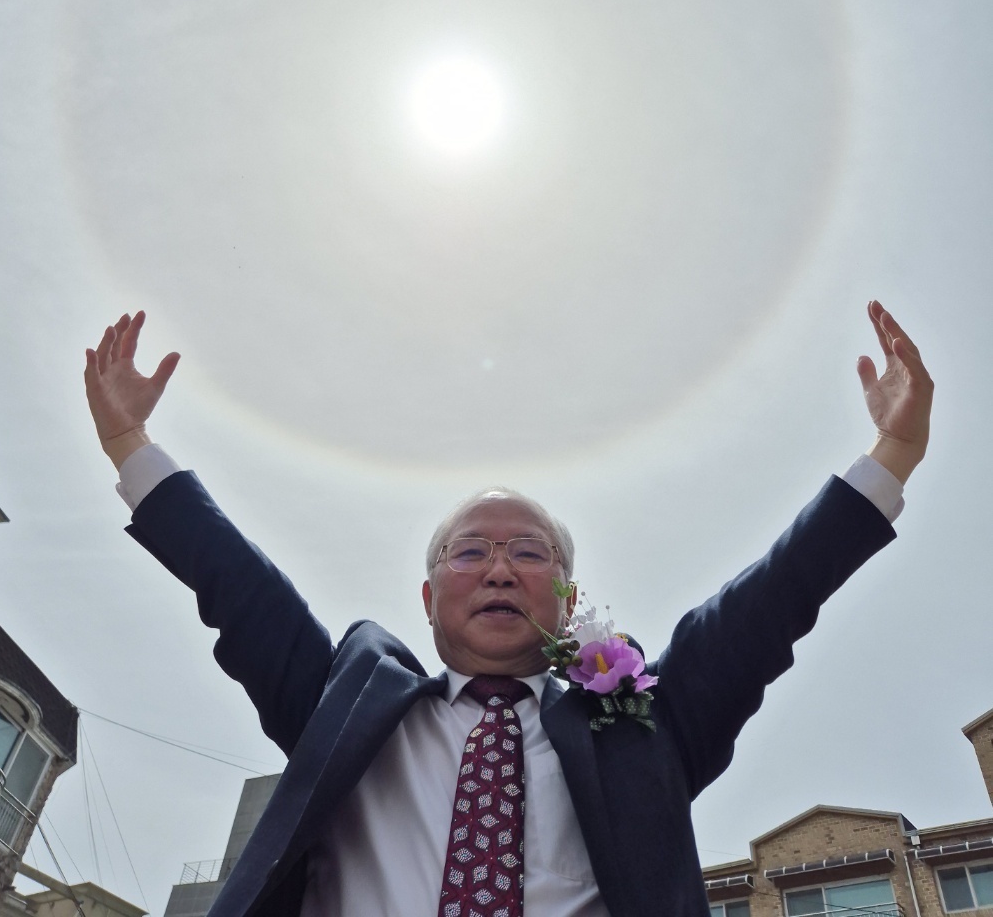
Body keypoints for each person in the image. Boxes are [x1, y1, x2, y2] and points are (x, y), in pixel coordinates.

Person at [84, 301, 933, 917]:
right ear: (428, 598)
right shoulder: (345, 705)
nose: (498, 568)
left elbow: (768, 603)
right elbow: (240, 589)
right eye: (470, 552)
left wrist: (889, 455)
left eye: (529, 553)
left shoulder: (644, 724)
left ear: (568, 600)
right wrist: (132, 446)